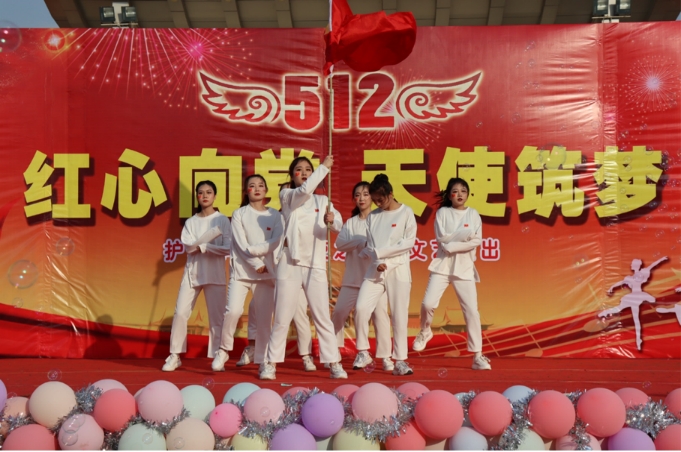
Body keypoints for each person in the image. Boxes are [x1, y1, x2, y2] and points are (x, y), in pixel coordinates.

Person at [259, 155, 347, 380]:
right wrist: (323, 168)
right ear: (292, 175)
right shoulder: (288, 195)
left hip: (315, 264)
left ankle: (334, 362)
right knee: (282, 316)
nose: (305, 172)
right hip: (290, 263)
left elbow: (339, 224)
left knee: (322, 317)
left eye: (309, 169)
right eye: (300, 169)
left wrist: (331, 220)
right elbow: (304, 191)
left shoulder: (323, 200)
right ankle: (270, 363)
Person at [411, 177, 491, 370]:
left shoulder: (473, 214)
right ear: (449, 195)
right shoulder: (443, 213)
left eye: (463, 191)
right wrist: (465, 234)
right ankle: (425, 331)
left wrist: (454, 243)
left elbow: (476, 240)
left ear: (468, 194)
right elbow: (442, 240)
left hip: (464, 268)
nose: (460, 194)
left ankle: (477, 355)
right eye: (456, 191)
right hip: (442, 266)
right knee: (428, 303)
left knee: (471, 311)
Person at [212, 175, 283, 371]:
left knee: (264, 319)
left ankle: (263, 361)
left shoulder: (275, 216)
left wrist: (260, 260)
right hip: (242, 272)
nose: (257, 189)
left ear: (266, 190)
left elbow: (276, 241)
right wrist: (256, 262)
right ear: (246, 191)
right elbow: (240, 244)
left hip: (266, 274)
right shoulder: (239, 214)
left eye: (260, 185)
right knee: (233, 311)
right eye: (252, 186)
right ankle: (223, 350)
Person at [163, 180, 232, 371]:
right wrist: (203, 244)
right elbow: (189, 248)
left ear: (215, 196)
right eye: (201, 193)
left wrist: (206, 247)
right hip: (192, 273)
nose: (205, 196)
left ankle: (218, 355)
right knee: (180, 313)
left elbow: (228, 248)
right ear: (197, 196)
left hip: (215, 274)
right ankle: (175, 355)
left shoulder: (222, 220)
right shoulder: (191, 222)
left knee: (217, 318)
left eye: (209, 192)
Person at [353, 174, 416, 376]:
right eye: (375, 200)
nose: (378, 203)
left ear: (390, 194)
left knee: (399, 316)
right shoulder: (373, 217)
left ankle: (400, 361)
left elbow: (407, 244)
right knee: (361, 307)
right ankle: (363, 351)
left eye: (381, 199)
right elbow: (372, 245)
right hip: (376, 269)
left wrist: (384, 259)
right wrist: (377, 260)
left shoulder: (406, 212)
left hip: (398, 269)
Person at [332, 181, 393, 371]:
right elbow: (340, 244)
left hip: (375, 279)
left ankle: (385, 357)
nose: (362, 198)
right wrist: (360, 241)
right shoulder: (351, 223)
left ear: (373, 197)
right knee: (339, 313)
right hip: (353, 278)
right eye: (358, 195)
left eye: (366, 194)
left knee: (380, 317)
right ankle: (333, 352)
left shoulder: (381, 219)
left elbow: (389, 246)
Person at [235, 289, 318, 372]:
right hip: (271, 282)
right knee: (254, 305)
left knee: (299, 315)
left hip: (296, 284)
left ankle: (306, 356)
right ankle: (254, 349)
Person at [600, 256, 668, 350]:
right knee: (631, 316)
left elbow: (652, 265)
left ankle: (638, 340)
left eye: (632, 264)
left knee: (635, 318)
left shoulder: (642, 273)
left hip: (637, 296)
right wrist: (612, 287)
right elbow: (621, 282)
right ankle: (638, 340)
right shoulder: (629, 278)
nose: (631, 265)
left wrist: (661, 259)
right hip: (634, 297)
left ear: (636, 265)